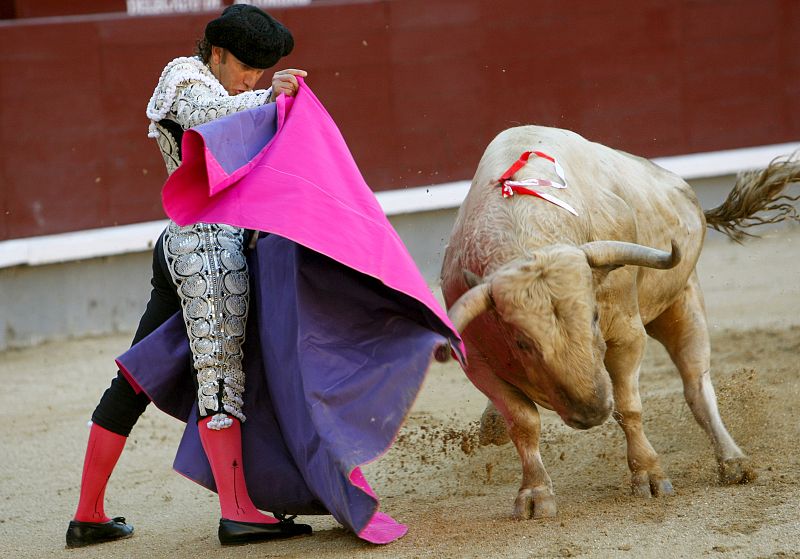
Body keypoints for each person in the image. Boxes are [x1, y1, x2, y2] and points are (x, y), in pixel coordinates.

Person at [66, 5, 310, 548]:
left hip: (198, 242)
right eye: (246, 66)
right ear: (217, 52)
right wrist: (267, 99)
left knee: (137, 375)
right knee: (221, 375)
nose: (253, 78)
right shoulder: (183, 74)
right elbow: (212, 116)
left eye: (261, 72)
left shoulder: (234, 86)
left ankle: (89, 514)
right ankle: (238, 510)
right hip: (203, 245)